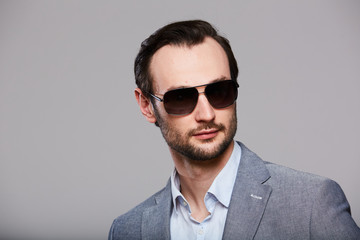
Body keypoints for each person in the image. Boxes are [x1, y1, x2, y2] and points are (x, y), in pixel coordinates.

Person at [108, 20, 360, 239]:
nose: (206, 114)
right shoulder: (128, 229)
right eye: (181, 98)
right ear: (146, 105)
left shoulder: (311, 205)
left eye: (219, 91)